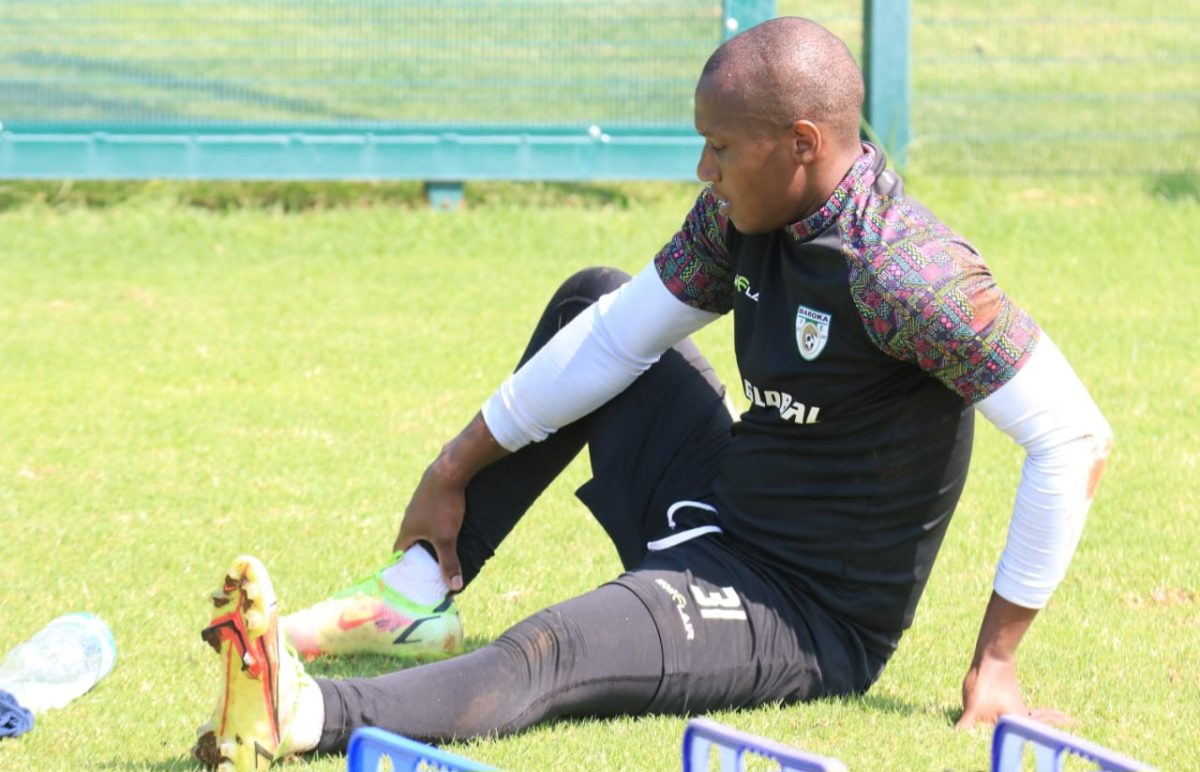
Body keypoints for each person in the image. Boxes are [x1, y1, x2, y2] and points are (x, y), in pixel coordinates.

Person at [192, 16, 1113, 770]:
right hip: (722, 505)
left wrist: (996, 664)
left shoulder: (909, 275)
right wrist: (453, 463)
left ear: (801, 144)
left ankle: (300, 716)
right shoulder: (739, 214)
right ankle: (414, 598)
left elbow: (1072, 438)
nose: (703, 172)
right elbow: (614, 337)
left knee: (555, 650)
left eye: (719, 148)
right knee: (592, 295)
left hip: (800, 612)